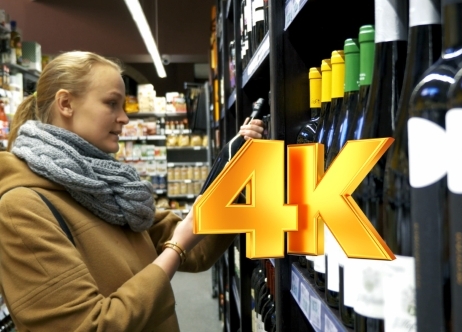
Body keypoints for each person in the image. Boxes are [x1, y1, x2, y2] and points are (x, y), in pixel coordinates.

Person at [0, 51, 265, 331]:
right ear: (66, 103)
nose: (125, 118)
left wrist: (236, 173)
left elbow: (198, 249)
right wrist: (176, 249)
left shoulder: (106, 190)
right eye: (111, 104)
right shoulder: (20, 209)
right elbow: (89, 325)